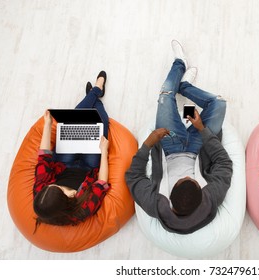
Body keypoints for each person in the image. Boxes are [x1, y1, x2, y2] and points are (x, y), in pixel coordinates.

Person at [125, 40, 233, 234]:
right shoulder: (211, 199)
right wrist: (202, 130)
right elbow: (224, 163)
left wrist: (148, 145)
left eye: (182, 179)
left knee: (166, 95)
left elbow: (133, 177)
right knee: (219, 104)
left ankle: (179, 64)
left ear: (170, 198)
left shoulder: (156, 205)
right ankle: (185, 86)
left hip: (169, 146)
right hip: (199, 147)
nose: (186, 175)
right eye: (190, 179)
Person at [33, 71, 110, 230]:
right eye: (58, 187)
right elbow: (101, 183)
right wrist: (104, 152)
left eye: (50, 185)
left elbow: (44, 158)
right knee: (100, 121)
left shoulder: (42, 194)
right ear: (67, 199)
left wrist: (47, 124)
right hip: (89, 168)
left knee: (76, 117)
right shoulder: (82, 209)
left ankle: (96, 90)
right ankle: (95, 93)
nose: (50, 185)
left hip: (64, 163)